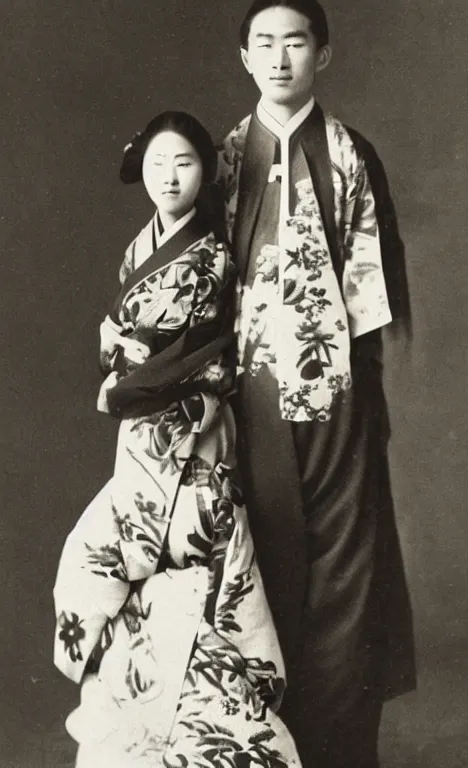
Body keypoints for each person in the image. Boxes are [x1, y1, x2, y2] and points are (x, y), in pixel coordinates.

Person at [53, 110, 302, 768]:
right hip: (142, 431)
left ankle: (211, 731)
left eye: (184, 163)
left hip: (189, 423)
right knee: (134, 562)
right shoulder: (141, 247)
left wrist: (123, 375)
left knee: (191, 554)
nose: (170, 175)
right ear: (142, 170)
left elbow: (190, 350)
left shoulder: (210, 258)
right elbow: (122, 332)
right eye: (158, 162)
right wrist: (120, 354)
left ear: (204, 174)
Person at [217, 2, 416, 766]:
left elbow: (369, 290)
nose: (278, 58)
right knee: (253, 561)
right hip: (245, 396)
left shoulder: (349, 155)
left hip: (337, 397)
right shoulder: (226, 155)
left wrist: (366, 393)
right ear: (244, 57)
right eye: (263, 43)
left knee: (345, 571)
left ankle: (335, 749)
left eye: (294, 42)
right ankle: (262, 747)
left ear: (322, 55)